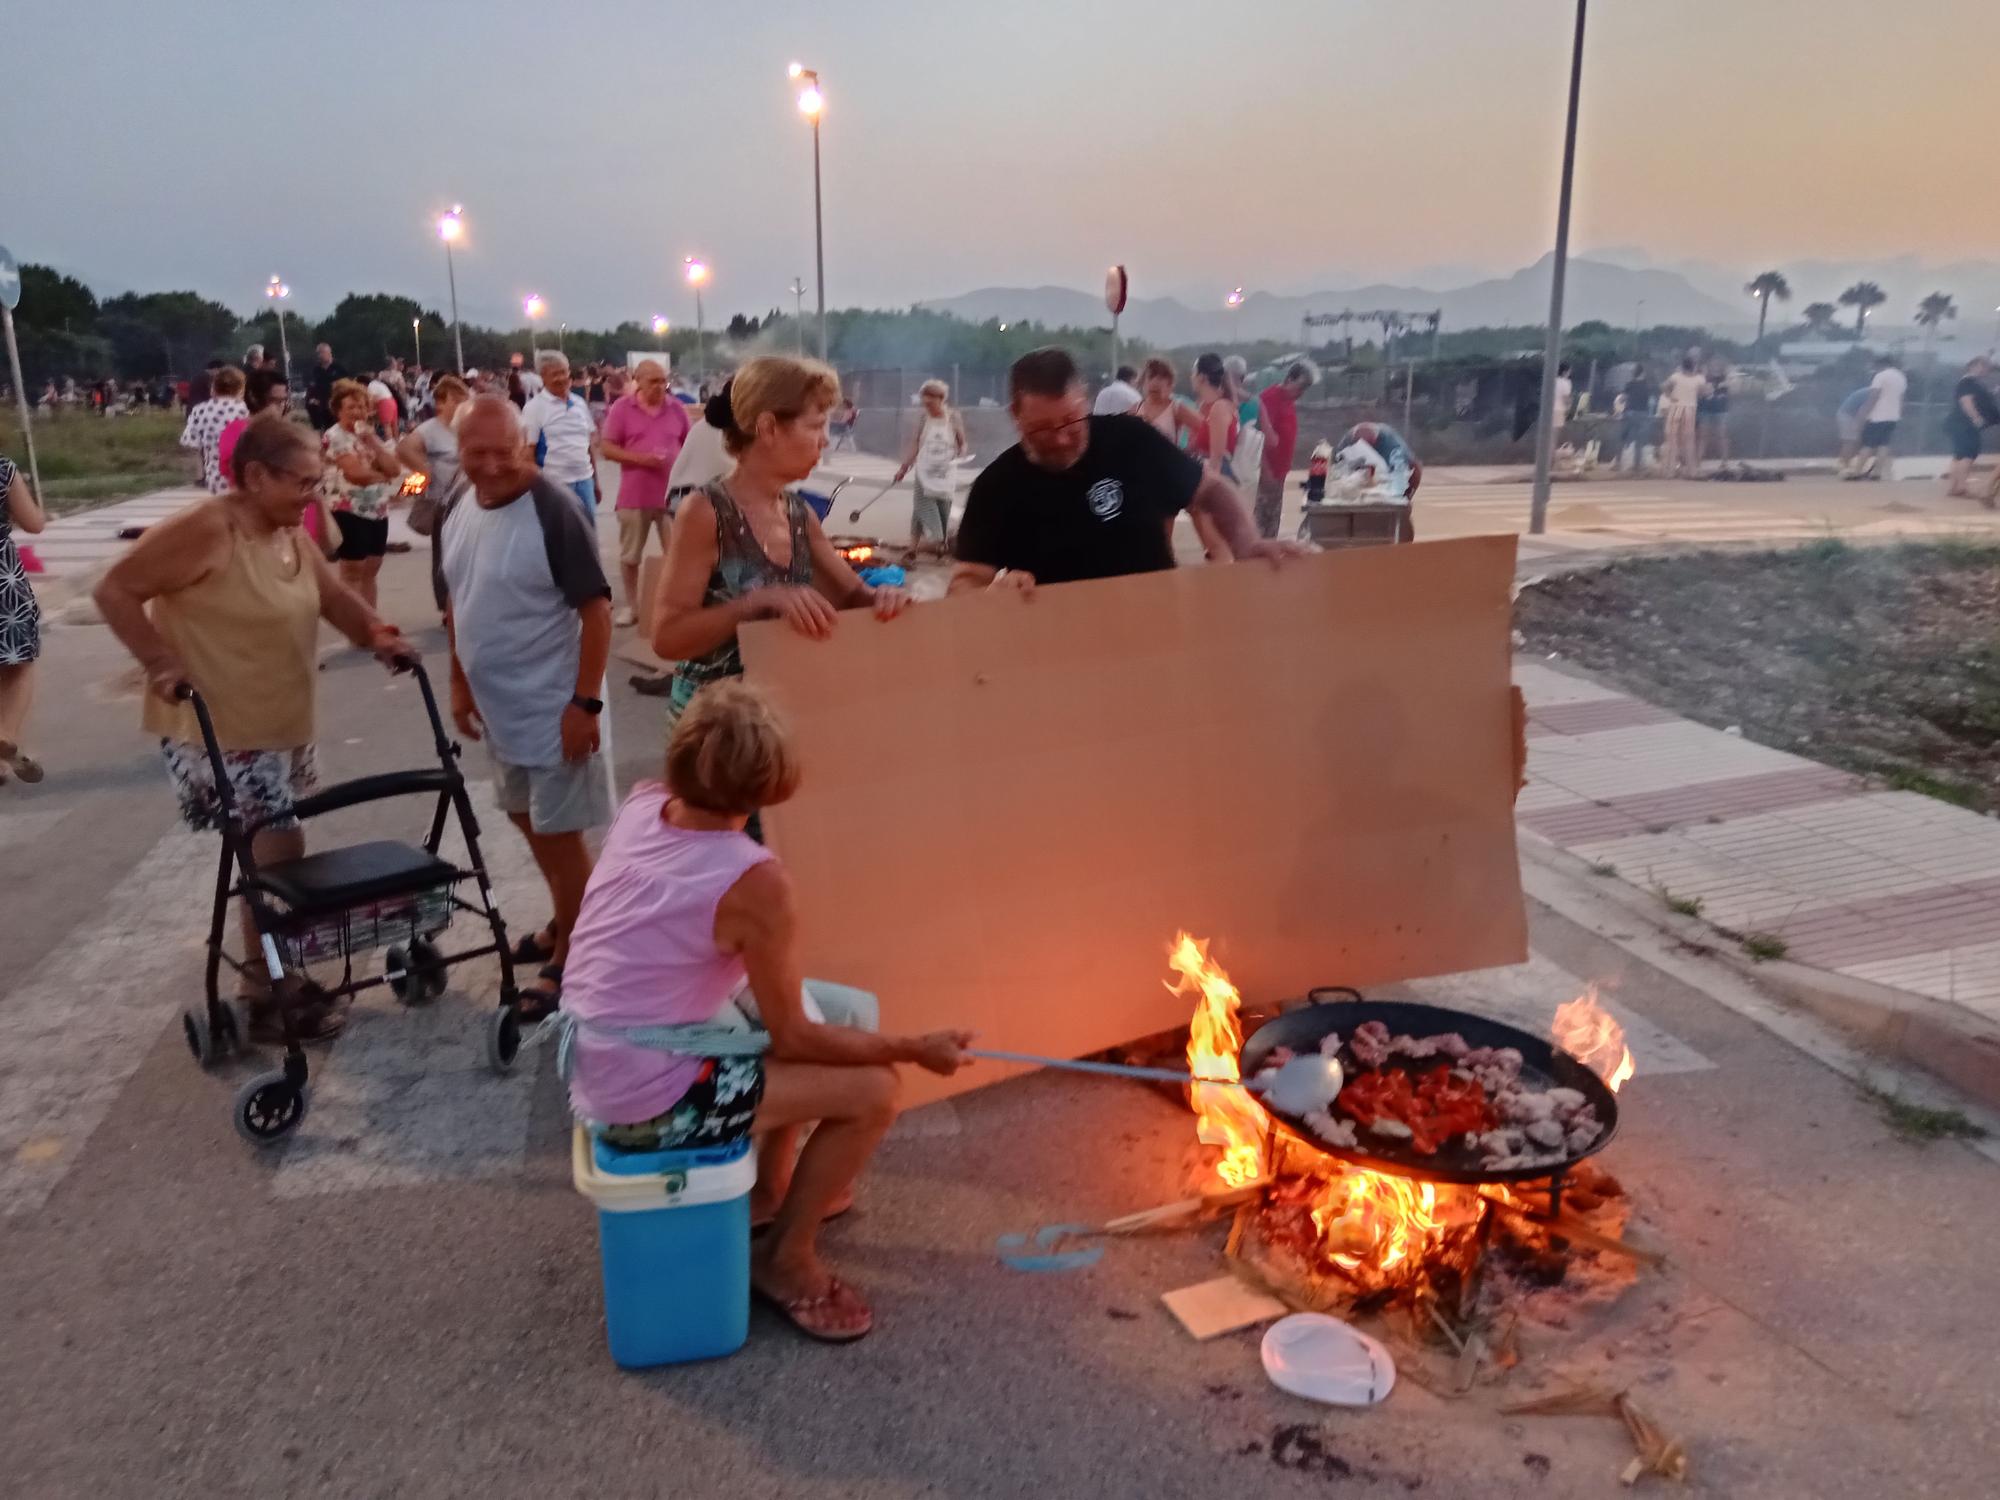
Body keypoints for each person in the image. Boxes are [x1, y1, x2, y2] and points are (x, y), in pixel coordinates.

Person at [562, 680, 972, 1342]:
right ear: (769, 785)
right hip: (643, 1096)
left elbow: (796, 1019)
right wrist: (916, 1047)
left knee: (848, 1009)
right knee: (874, 1091)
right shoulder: (753, 878)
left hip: (604, 1052)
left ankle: (772, 1194)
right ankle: (786, 1259)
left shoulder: (647, 804)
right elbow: (795, 1034)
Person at [93, 415, 412, 1041]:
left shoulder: (288, 529)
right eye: (302, 482)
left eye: (317, 483)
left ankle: (272, 969)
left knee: (272, 850)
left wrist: (376, 633)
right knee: (276, 849)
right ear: (255, 475)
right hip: (218, 726)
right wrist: (159, 661)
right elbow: (115, 589)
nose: (312, 495)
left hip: (280, 721)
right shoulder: (208, 528)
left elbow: (334, 598)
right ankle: (266, 989)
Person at [442, 396, 614, 1019]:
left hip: (555, 708)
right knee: (524, 818)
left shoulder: (553, 509)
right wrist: (460, 683)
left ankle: (573, 954)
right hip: (501, 710)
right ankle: (568, 915)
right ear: (457, 448)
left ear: (525, 445)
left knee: (560, 836)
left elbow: (597, 612)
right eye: (475, 452)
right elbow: (456, 603)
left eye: (502, 451)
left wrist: (585, 703)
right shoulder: (459, 505)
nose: (490, 466)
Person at [651, 358, 910, 736]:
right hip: (712, 735)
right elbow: (667, 637)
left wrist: (886, 598)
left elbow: (854, 595)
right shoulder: (706, 512)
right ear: (768, 427)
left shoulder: (798, 514)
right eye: (816, 426)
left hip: (776, 725)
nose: (824, 439)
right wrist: (757, 602)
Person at [950, 347, 1311, 595]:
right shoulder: (997, 487)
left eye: (1072, 422)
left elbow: (1212, 491)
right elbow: (965, 583)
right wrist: (993, 594)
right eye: (1043, 429)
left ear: (1085, 400)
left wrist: (1247, 542)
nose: (1061, 439)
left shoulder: (1131, 440)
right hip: (1056, 653)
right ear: (1016, 414)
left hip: (1155, 628)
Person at [600, 359, 691, 626]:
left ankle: (672, 608)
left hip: (671, 497)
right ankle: (632, 607)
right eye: (654, 381)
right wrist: (641, 460)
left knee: (676, 556)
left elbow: (689, 443)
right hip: (635, 496)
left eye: (664, 381)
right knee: (630, 556)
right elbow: (607, 447)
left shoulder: (676, 409)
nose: (661, 386)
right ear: (637, 381)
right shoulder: (621, 409)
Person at [321, 378, 403, 609]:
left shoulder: (369, 435)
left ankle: (371, 620)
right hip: (348, 508)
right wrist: (384, 477)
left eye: (362, 407)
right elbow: (355, 474)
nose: (357, 412)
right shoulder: (335, 436)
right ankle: (356, 622)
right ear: (338, 411)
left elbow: (394, 468)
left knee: (372, 566)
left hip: (377, 508)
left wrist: (372, 442)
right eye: (351, 408)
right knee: (353, 569)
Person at [0, 453, 47, 788]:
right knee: (19, 664)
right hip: (3, 583)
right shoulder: (3, 468)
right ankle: (3, 735)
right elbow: (34, 523)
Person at [892, 379, 969, 554]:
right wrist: (903, 468)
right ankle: (927, 543)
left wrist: (962, 454)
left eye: (931, 403)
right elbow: (915, 444)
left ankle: (938, 543)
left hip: (945, 472)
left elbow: (963, 443)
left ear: (941, 399)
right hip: (924, 470)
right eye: (925, 403)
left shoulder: (953, 417)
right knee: (921, 505)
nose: (928, 407)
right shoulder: (923, 418)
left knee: (943, 507)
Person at [520, 351, 601, 513]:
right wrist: (537, 489)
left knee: (587, 533)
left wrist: (595, 481)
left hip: (584, 480)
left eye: (564, 372)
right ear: (543, 377)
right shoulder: (534, 408)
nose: (561, 378)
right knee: (561, 535)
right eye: (555, 374)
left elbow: (587, 446)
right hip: (555, 484)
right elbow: (528, 453)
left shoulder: (579, 404)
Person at [1188, 353, 1242, 561]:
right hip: (1209, 472)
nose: (1191, 377)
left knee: (1218, 544)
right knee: (1213, 545)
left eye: (1193, 373)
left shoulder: (1220, 408)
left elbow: (1217, 456)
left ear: (1201, 377)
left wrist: (1209, 489)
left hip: (1217, 474)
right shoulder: (1207, 407)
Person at [1254, 361, 1317, 540]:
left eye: (1304, 390)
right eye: (1299, 388)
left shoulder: (1288, 401)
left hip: (1279, 474)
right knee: (1260, 523)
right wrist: (1265, 472)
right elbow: (1259, 439)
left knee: (1272, 523)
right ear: (1289, 379)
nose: (1300, 394)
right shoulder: (1270, 399)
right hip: (1268, 475)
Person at [396, 373, 470, 506]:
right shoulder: (429, 429)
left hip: (466, 503)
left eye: (464, 401)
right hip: (442, 504)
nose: (462, 406)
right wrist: (422, 474)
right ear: (440, 403)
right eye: (456, 401)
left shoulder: (465, 427)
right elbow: (403, 449)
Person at [179, 365, 249, 495]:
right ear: (241, 389)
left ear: (213, 388)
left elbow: (190, 441)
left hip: (215, 476)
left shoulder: (199, 410)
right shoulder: (245, 410)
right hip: (241, 473)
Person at [1942, 356, 1999, 501]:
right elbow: (1966, 401)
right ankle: (1961, 487)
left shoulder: (1971, 383)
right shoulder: (1967, 382)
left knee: (1959, 455)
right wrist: (1976, 418)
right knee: (1968, 455)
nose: (1987, 370)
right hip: (1965, 424)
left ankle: (1954, 487)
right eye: (1984, 366)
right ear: (1974, 365)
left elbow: (1980, 400)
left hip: (1959, 424)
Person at [1849, 353, 1908, 481]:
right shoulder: (1901, 377)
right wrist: (1899, 413)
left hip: (1878, 415)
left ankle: (1857, 471)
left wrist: (1863, 413)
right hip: (1893, 416)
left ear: (1880, 364)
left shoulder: (1880, 376)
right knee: (1883, 444)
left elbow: (1873, 397)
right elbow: (1901, 398)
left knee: (1868, 444)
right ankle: (1877, 472)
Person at [1134, 357, 1202, 448]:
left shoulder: (1176, 408)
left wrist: (1190, 449)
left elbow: (1205, 429)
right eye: (1150, 377)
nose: (1155, 383)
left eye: (1160, 379)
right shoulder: (1135, 409)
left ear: (1169, 384)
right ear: (1142, 382)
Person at [1659, 355, 1706, 479]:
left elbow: (1664, 386)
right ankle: (1691, 471)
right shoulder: (1699, 379)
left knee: (1672, 440)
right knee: (1689, 441)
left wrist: (1670, 396)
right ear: (1694, 366)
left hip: (1676, 408)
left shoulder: (1676, 377)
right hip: (1689, 409)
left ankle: (1669, 471)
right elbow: (1703, 393)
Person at [1617, 362, 1656, 473]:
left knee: (1624, 439)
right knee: (1639, 441)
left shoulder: (1629, 384)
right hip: (1642, 414)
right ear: (1642, 373)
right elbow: (1651, 401)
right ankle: (1637, 466)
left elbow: (1621, 399)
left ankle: (1619, 463)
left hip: (1629, 412)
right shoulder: (1647, 385)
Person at [1697, 358, 1731, 466]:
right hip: (1705, 409)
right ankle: (1698, 460)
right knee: (1703, 435)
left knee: (1721, 434)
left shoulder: (1725, 378)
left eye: (1717, 364)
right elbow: (1700, 393)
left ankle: (1724, 461)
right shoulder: (1703, 378)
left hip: (1720, 410)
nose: (1715, 366)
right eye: (1712, 364)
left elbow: (1729, 391)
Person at [304, 343, 346, 431]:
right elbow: (311, 387)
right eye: (318, 353)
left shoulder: (339, 368)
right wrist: (312, 399)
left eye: (322, 352)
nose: (320, 355)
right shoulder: (315, 371)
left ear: (329, 353)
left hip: (336, 405)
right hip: (321, 407)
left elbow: (346, 387)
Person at [1834, 385, 1873, 475]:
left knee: (1854, 441)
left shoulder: (1871, 390)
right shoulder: (1873, 393)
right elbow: (1863, 411)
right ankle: (1844, 466)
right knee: (1850, 441)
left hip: (1850, 414)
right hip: (1847, 415)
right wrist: (1858, 425)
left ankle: (1844, 463)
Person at [1552, 361, 1574, 438]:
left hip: (1549, 409)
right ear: (1565, 372)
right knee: (1555, 432)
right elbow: (1566, 398)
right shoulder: (1566, 382)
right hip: (1559, 409)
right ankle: (1551, 448)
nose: (1570, 373)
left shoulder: (1553, 381)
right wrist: (1569, 409)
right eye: (1569, 371)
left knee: (1549, 431)